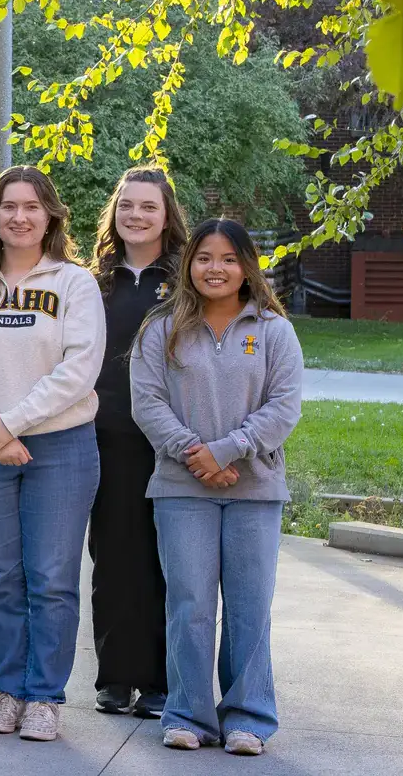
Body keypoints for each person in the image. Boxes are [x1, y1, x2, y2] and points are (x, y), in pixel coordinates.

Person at [0, 165, 104, 742]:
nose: (20, 216)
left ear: (51, 215)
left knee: (52, 576)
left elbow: (80, 368)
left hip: (60, 446)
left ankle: (44, 696)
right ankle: (7, 689)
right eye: (8, 206)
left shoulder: (74, 284)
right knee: (1, 575)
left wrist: (13, 423)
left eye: (31, 206)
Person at [130, 220, 302, 757]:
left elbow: (284, 407)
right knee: (189, 603)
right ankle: (186, 713)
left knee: (250, 605)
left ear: (248, 267)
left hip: (255, 488)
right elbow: (147, 402)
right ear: (188, 265)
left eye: (229, 259)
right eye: (205, 258)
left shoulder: (275, 330)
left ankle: (248, 717)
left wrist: (225, 451)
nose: (216, 269)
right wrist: (194, 454)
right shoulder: (162, 329)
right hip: (181, 488)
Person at [87, 165, 190, 719]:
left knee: (168, 561)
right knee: (114, 557)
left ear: (166, 215)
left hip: (173, 438)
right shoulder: (93, 281)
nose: (136, 215)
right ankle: (115, 677)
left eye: (148, 206)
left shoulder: (187, 280)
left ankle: (159, 681)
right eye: (127, 205)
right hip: (109, 437)